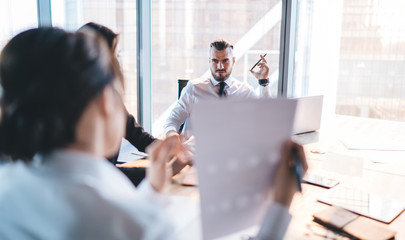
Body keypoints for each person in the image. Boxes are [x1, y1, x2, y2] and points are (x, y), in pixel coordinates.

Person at [0, 27, 307, 240]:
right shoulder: (118, 217)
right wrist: (280, 204)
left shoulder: (9, 183)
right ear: (105, 102)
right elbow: (129, 224)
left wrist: (154, 187)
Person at [78, 22, 190, 186]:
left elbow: (138, 136)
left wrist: (171, 149)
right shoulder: (79, 109)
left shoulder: (109, 98)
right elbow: (100, 176)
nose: (118, 63)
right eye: (114, 55)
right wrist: (163, 172)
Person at [164, 39, 272, 140]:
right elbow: (172, 121)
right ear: (210, 61)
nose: (220, 66)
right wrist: (172, 136)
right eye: (215, 61)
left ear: (233, 61)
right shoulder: (194, 88)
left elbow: (266, 117)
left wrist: (263, 82)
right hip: (195, 155)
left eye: (225, 61)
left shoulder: (244, 91)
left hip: (232, 154)